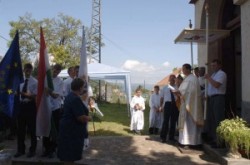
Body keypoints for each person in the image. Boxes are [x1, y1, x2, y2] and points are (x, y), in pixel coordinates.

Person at [57, 78, 91, 164]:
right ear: (79, 88)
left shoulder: (70, 96)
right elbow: (80, 117)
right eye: (83, 87)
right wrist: (89, 118)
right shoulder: (75, 99)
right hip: (71, 131)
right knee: (69, 156)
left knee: (66, 156)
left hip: (67, 129)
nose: (84, 89)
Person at [176, 63, 204, 147]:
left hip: (190, 104)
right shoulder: (187, 78)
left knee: (189, 124)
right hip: (186, 103)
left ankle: (190, 142)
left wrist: (180, 93)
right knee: (186, 123)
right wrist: (180, 93)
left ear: (188, 69)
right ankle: (184, 141)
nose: (183, 71)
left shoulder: (192, 79)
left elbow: (190, 92)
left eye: (184, 69)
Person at [14, 63, 38, 158]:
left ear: (31, 70)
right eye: (26, 70)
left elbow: (34, 96)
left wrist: (22, 93)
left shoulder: (34, 82)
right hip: (21, 106)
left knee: (32, 130)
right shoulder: (20, 80)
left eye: (29, 70)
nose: (27, 71)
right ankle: (20, 150)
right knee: (21, 130)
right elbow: (16, 93)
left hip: (30, 106)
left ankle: (32, 150)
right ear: (23, 70)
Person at [42, 64, 64, 158]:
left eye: (58, 71)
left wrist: (49, 91)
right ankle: (46, 149)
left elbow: (56, 95)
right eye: (55, 69)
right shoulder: (45, 79)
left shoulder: (60, 81)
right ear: (52, 69)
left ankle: (53, 149)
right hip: (46, 107)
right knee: (46, 129)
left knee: (54, 129)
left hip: (55, 108)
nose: (56, 72)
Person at [205, 59, 227, 147]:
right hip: (212, 98)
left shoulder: (222, 74)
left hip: (218, 98)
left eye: (214, 65)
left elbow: (216, 85)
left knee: (218, 119)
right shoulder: (214, 74)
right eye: (212, 65)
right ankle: (214, 139)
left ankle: (220, 142)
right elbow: (211, 87)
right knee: (212, 120)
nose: (212, 67)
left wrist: (208, 78)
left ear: (219, 65)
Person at [159, 74, 179, 143]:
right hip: (167, 104)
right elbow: (162, 98)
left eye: (174, 79)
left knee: (173, 122)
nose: (172, 80)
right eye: (171, 78)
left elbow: (179, 96)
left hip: (175, 105)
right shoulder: (165, 88)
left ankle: (171, 137)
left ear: (175, 80)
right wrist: (161, 106)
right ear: (169, 80)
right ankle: (163, 137)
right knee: (166, 121)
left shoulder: (177, 87)